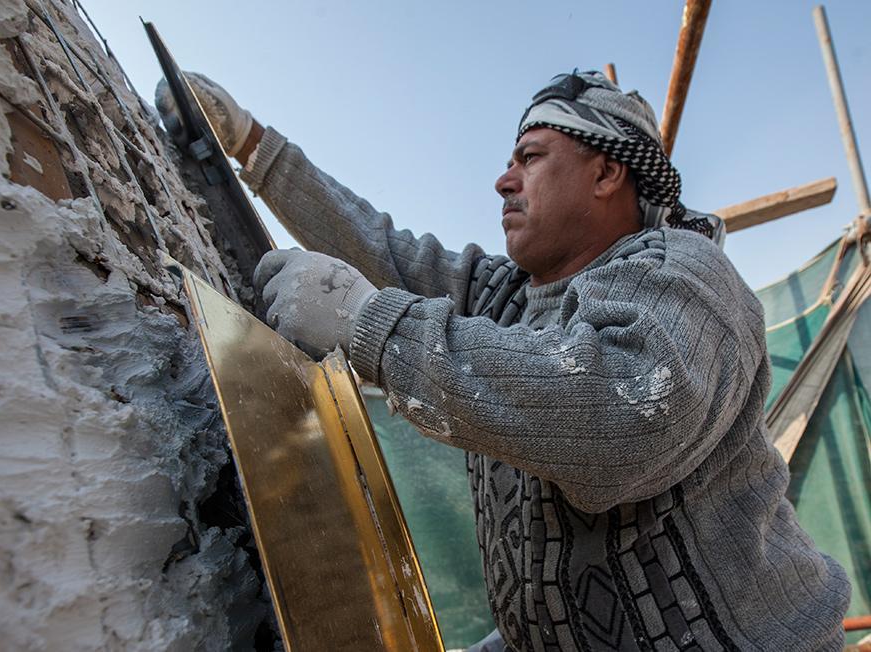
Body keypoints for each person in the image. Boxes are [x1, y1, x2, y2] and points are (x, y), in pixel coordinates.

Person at [157, 71, 851, 651]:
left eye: (530, 157)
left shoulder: (683, 276)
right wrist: (255, 146)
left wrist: (371, 324)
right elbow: (384, 249)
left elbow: (618, 416)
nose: (502, 180)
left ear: (607, 170)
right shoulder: (508, 296)